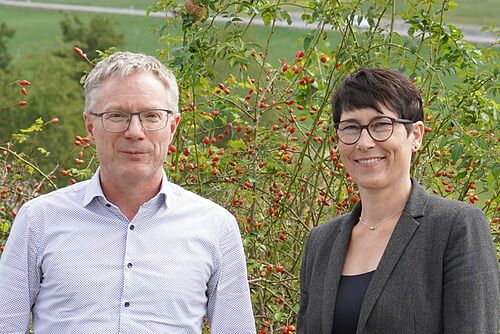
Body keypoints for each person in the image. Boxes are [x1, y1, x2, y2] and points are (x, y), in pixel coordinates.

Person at [0, 52, 256, 333]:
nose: (135, 131)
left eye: (151, 116)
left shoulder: (215, 227)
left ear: (173, 127)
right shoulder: (39, 221)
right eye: (117, 116)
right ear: (90, 126)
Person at [297, 68, 499, 333]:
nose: (365, 142)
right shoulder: (321, 242)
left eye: (381, 125)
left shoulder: (455, 228)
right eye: (351, 127)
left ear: (415, 135)